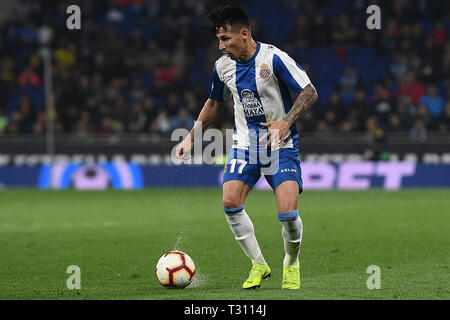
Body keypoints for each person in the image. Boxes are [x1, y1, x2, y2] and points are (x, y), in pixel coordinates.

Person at [175, 5, 318, 290]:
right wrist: (192, 136)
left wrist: (286, 122)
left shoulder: (274, 58)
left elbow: (309, 92)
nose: (221, 45)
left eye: (225, 38)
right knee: (230, 202)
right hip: (245, 144)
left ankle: (291, 262)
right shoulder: (222, 66)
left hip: (280, 144)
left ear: (244, 34)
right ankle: (258, 264)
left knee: (288, 215)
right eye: (218, 39)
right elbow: (214, 102)